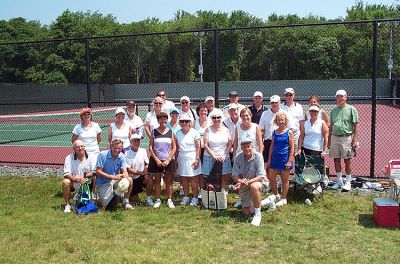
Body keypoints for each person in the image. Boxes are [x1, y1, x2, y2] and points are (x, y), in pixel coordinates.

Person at [232, 138, 269, 226]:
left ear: (252, 146)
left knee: (254, 186)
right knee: (247, 212)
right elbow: (234, 175)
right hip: (245, 184)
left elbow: (260, 177)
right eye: (244, 147)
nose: (246, 149)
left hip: (260, 182)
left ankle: (258, 214)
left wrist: (245, 182)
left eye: (248, 146)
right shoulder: (238, 157)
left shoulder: (258, 156)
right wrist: (240, 181)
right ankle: (269, 201)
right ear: (241, 148)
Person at [329, 89, 360, 191]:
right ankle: (339, 181)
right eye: (338, 96)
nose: (340, 98)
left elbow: (356, 126)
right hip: (334, 137)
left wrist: (355, 140)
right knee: (336, 160)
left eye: (342, 96)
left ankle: (348, 182)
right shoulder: (333, 111)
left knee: (347, 161)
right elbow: (331, 126)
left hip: (346, 138)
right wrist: (329, 141)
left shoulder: (352, 109)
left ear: (346, 97)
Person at [148, 111, 177, 208]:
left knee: (169, 181)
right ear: (158, 120)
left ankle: (169, 200)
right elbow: (151, 147)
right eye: (161, 119)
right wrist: (156, 159)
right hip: (156, 160)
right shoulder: (154, 131)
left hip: (168, 160)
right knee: (157, 181)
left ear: (167, 120)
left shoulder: (170, 131)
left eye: (165, 119)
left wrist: (168, 159)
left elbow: (174, 147)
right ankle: (158, 200)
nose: (163, 120)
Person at [259, 95, 294, 172]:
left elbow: (289, 129)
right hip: (268, 142)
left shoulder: (285, 114)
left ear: (279, 102)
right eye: (272, 103)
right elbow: (261, 130)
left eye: (276, 102)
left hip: (282, 143)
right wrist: (261, 144)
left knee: (283, 167)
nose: (274, 104)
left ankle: (281, 182)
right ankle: (269, 182)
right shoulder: (265, 114)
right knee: (268, 164)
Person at [96, 139, 133, 210]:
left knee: (129, 180)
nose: (117, 150)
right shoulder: (102, 154)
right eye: (115, 148)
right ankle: (117, 195)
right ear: (111, 147)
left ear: (122, 148)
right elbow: (98, 171)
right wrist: (112, 177)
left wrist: (125, 178)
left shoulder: (122, 156)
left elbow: (125, 171)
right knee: (107, 205)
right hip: (103, 183)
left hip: (115, 180)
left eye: (119, 148)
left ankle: (125, 202)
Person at [297, 105, 330, 187]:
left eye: (315, 111)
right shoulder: (305, 123)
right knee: (305, 167)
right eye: (311, 111)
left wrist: (324, 150)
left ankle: (317, 185)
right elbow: (301, 136)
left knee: (316, 169)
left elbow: (326, 137)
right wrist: (299, 148)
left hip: (317, 150)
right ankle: (306, 184)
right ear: (309, 112)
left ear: (318, 113)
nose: (313, 113)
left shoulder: (322, 123)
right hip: (305, 149)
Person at [267, 112, 295, 208]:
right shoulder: (274, 132)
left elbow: (292, 148)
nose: (281, 121)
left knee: (284, 180)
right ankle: (276, 195)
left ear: (285, 121)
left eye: (282, 120)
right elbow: (272, 146)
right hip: (275, 158)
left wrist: (289, 161)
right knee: (271, 179)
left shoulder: (289, 132)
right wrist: (269, 159)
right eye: (279, 120)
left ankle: (284, 198)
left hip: (284, 159)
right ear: (276, 121)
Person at [62, 140, 97, 213]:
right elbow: (66, 174)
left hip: (87, 182)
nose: (80, 148)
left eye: (82, 146)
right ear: (74, 149)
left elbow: (94, 172)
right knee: (66, 181)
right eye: (77, 147)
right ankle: (67, 205)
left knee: (95, 176)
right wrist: (74, 178)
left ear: (84, 147)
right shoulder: (69, 158)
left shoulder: (92, 156)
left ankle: (91, 195)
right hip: (74, 182)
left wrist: (83, 177)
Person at [202, 108, 232, 191]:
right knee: (209, 176)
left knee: (224, 175)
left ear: (221, 118)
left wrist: (225, 155)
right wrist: (214, 156)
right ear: (211, 119)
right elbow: (206, 145)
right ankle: (211, 193)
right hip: (210, 156)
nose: (216, 119)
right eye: (214, 117)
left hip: (223, 157)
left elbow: (229, 144)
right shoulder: (207, 130)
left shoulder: (226, 130)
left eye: (218, 117)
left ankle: (222, 192)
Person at [175, 114, 201, 206]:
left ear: (190, 122)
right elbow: (177, 148)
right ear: (180, 123)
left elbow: (198, 147)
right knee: (184, 179)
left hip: (192, 158)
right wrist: (176, 160)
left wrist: (197, 159)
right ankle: (186, 197)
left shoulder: (195, 132)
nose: (184, 123)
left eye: (186, 121)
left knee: (194, 180)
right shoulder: (177, 133)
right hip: (181, 158)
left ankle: (195, 198)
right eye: (182, 121)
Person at [125, 134, 149, 204]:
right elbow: (128, 169)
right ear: (131, 142)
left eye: (138, 141)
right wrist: (141, 173)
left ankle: (148, 197)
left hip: (140, 175)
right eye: (134, 141)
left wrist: (146, 172)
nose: (136, 142)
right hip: (131, 176)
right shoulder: (127, 153)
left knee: (149, 178)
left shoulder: (143, 151)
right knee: (134, 199)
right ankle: (130, 196)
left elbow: (147, 163)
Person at [194, 102, 212, 194]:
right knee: (199, 171)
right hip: (197, 149)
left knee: (208, 170)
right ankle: (201, 189)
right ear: (198, 112)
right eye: (201, 110)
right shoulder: (194, 122)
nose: (203, 112)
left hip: (208, 149)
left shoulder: (211, 121)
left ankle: (210, 189)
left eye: (205, 110)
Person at [280, 88, 304, 153]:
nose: (288, 97)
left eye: (290, 95)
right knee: (284, 151)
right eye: (287, 95)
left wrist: (302, 134)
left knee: (295, 152)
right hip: (284, 132)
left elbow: (301, 122)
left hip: (295, 133)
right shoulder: (280, 107)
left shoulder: (299, 107)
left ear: (293, 95)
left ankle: (294, 163)